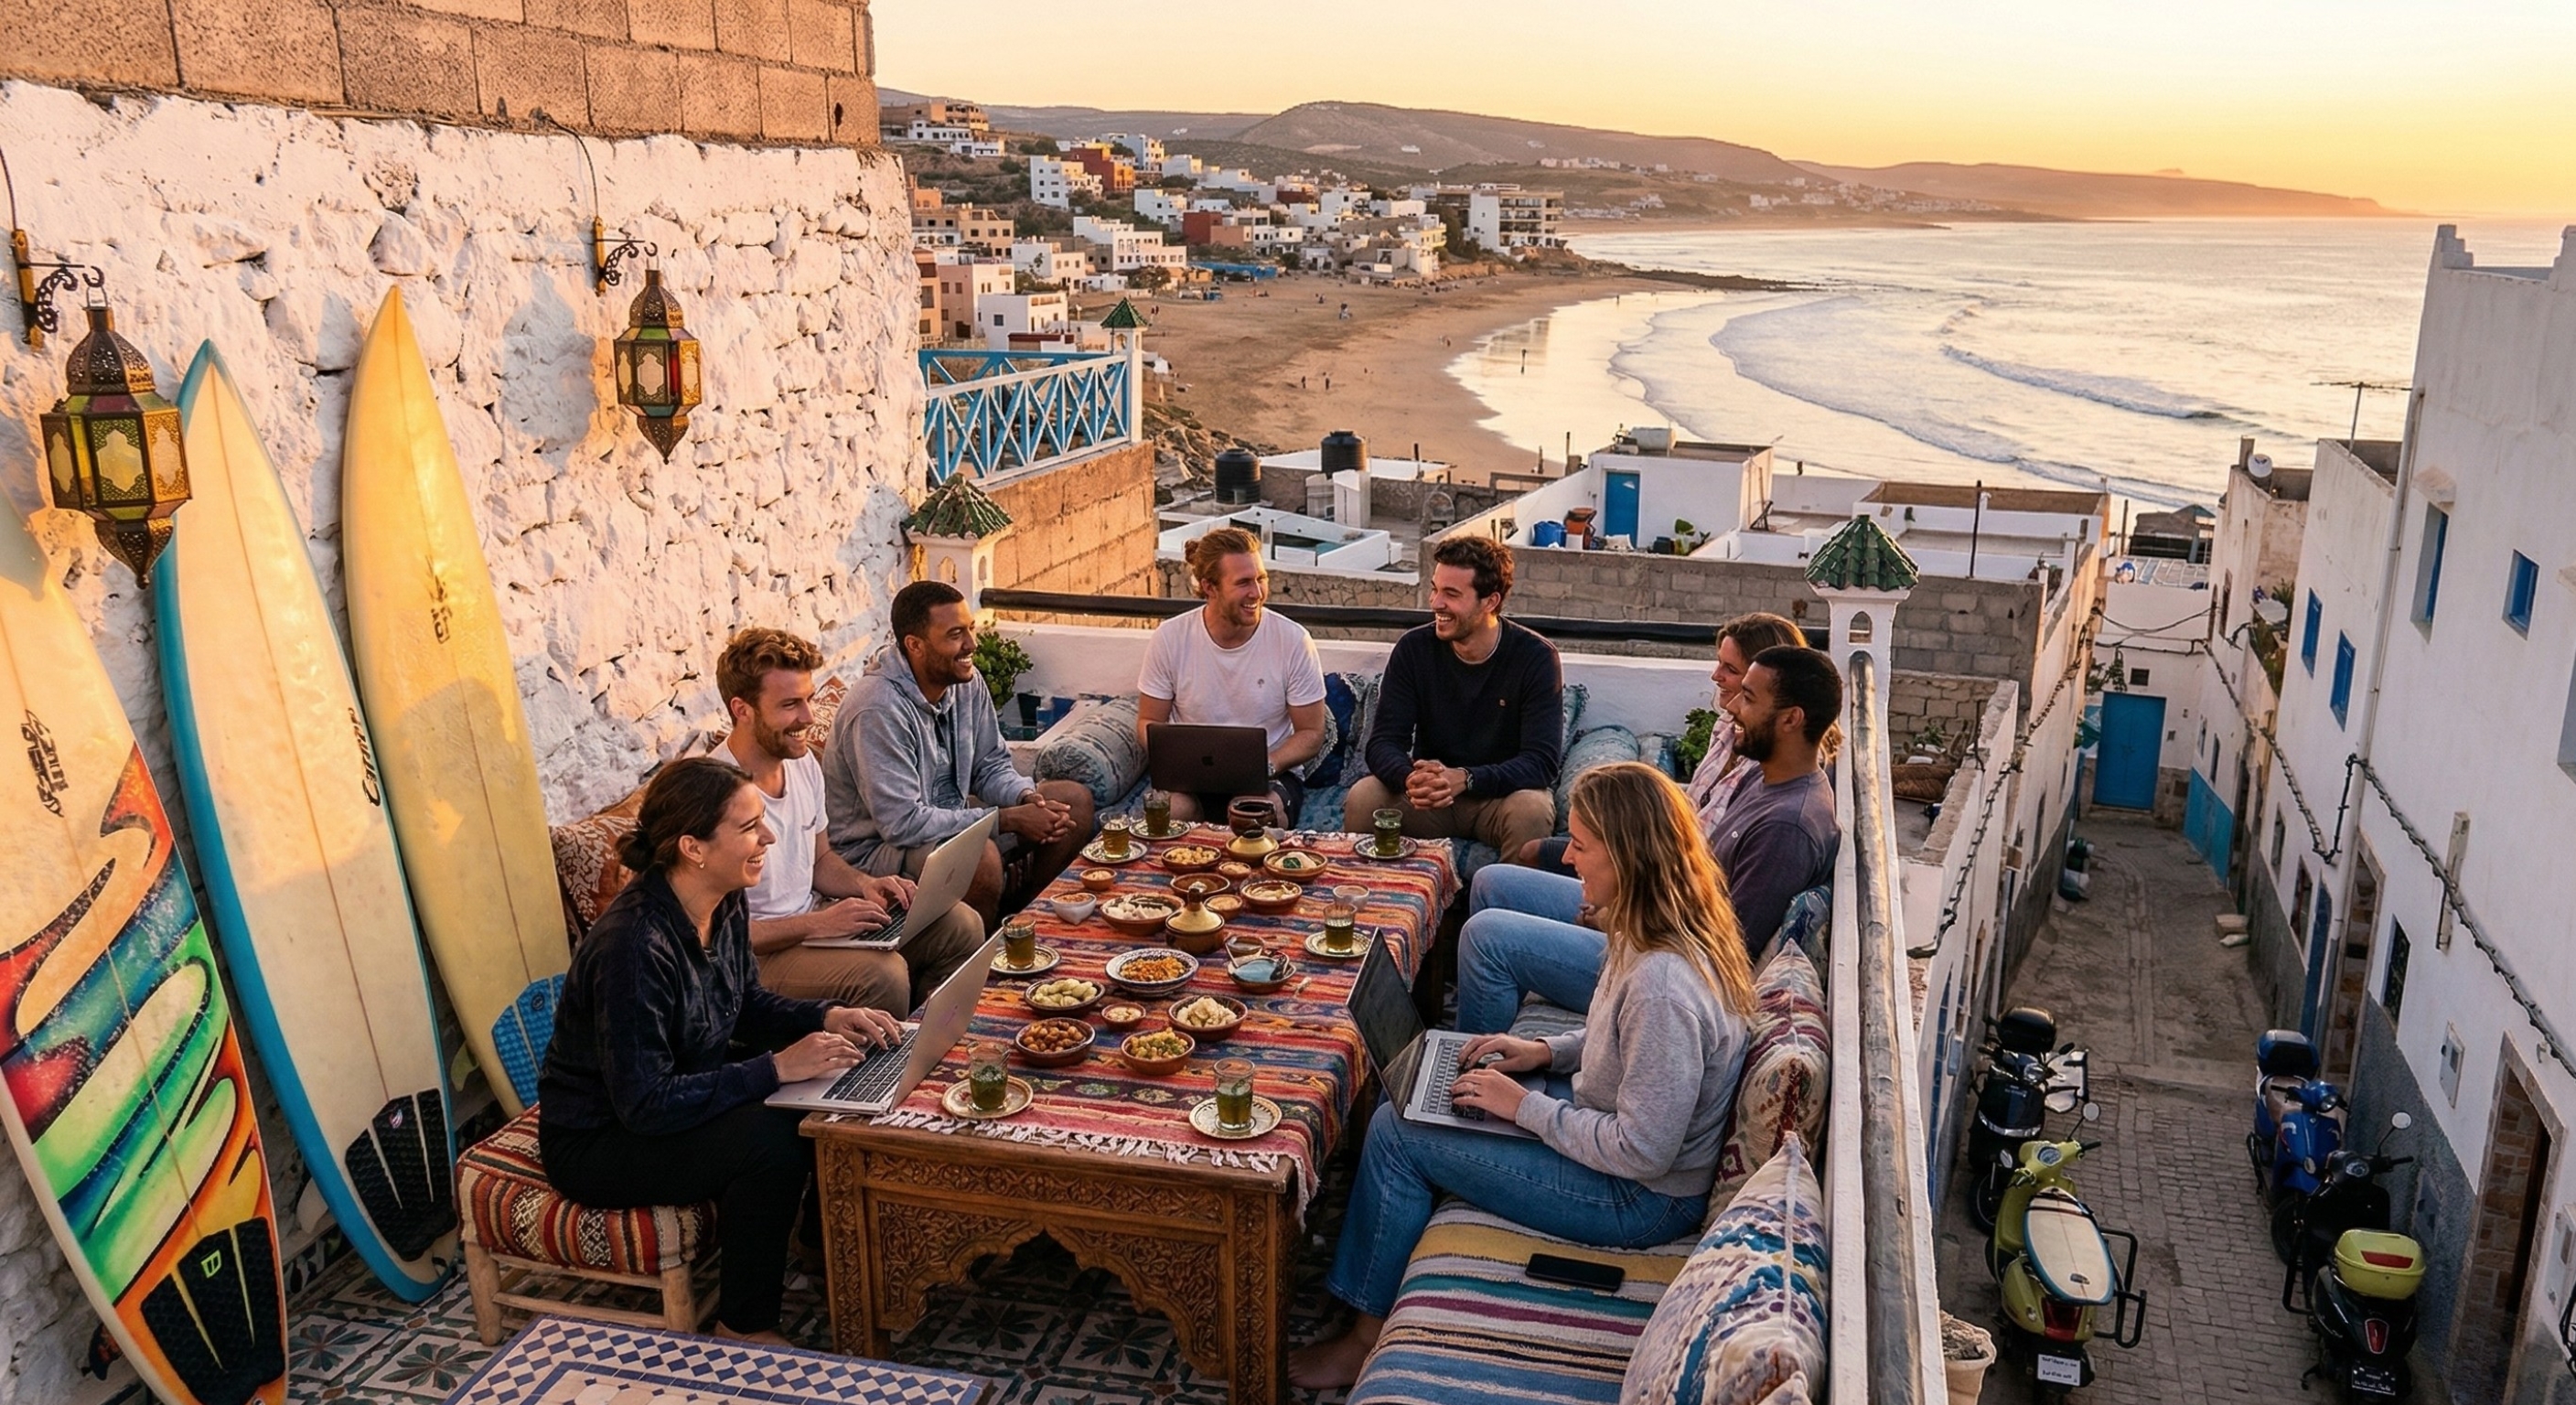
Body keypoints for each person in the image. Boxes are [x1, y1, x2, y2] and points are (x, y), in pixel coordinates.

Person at [1284, 763, 1755, 1389]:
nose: (1569, 862)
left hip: (1639, 1200)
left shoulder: (1664, 985)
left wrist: (1522, 1107)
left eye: (1582, 847)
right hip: (1611, 1136)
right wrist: (1542, 1052)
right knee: (1431, 1095)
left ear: (1627, 857)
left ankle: (1365, 1339)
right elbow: (1615, 1038)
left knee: (1400, 1134)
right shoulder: (1652, 930)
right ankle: (1367, 1265)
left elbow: (1644, 1149)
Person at [539, 756, 904, 1345]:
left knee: (829, 1087)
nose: (769, 837)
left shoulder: (723, 899)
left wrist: (828, 1015)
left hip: (676, 1095)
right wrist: (776, 1067)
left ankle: (819, 1246)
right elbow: (645, 1104)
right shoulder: (634, 947)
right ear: (693, 847)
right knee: (772, 1138)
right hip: (601, 1139)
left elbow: (747, 1004)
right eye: (750, 826)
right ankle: (744, 1324)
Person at [1454, 645, 1843, 1031]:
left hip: (1662, 967)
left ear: (1791, 719)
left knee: (1486, 938)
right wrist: (1628, 901)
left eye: (1749, 698)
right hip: (1657, 922)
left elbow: (1724, 955)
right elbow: (1696, 881)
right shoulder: (1765, 775)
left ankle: (1473, 1072)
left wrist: (1626, 921)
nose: (1734, 707)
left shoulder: (1787, 827)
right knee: (1494, 882)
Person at [714, 627, 984, 1013]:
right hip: (752, 958)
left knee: (960, 926)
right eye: (791, 705)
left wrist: (865, 885)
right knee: (882, 975)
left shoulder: (802, 762)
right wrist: (817, 925)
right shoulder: (712, 794)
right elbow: (708, 934)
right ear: (742, 710)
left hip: (811, 924)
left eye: (809, 700)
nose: (808, 717)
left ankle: (924, 1046)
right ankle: (883, 1067)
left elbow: (821, 860)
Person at [825, 582, 1094, 930]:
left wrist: (1027, 799)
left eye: (971, 629)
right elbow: (902, 824)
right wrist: (1007, 819)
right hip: (876, 852)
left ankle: (1020, 922)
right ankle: (976, 957)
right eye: (955, 635)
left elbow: (990, 765)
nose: (971, 644)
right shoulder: (877, 708)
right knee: (977, 857)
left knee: (1072, 800)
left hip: (948, 820)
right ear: (915, 645)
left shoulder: (966, 681)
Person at [1512, 611, 1807, 873]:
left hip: (1665, 870)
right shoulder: (1729, 727)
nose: (1715, 676)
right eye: (1718, 663)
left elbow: (1711, 855)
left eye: (1730, 669)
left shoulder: (1766, 758)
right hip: (1660, 846)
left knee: (1531, 856)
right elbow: (1694, 805)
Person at [1343, 537, 1561, 857]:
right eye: (1435, 589)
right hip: (1427, 797)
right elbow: (1384, 742)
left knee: (1532, 810)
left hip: (1497, 798)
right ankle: (1371, 897)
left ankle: (1504, 904)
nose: (1435, 603)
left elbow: (1541, 762)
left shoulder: (1535, 658)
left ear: (1489, 601)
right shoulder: (1414, 649)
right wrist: (1410, 779)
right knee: (1364, 797)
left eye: (1451, 594)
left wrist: (1467, 779)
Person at [1134, 527, 1327, 824]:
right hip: (1192, 780)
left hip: (1270, 776)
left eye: (1261, 578)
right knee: (1171, 815)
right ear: (1210, 587)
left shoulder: (1292, 640)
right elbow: (1148, 722)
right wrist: (1182, 762)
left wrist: (1266, 765)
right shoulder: (1171, 637)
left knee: (1251, 816)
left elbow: (1312, 734)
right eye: (1243, 583)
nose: (1257, 592)